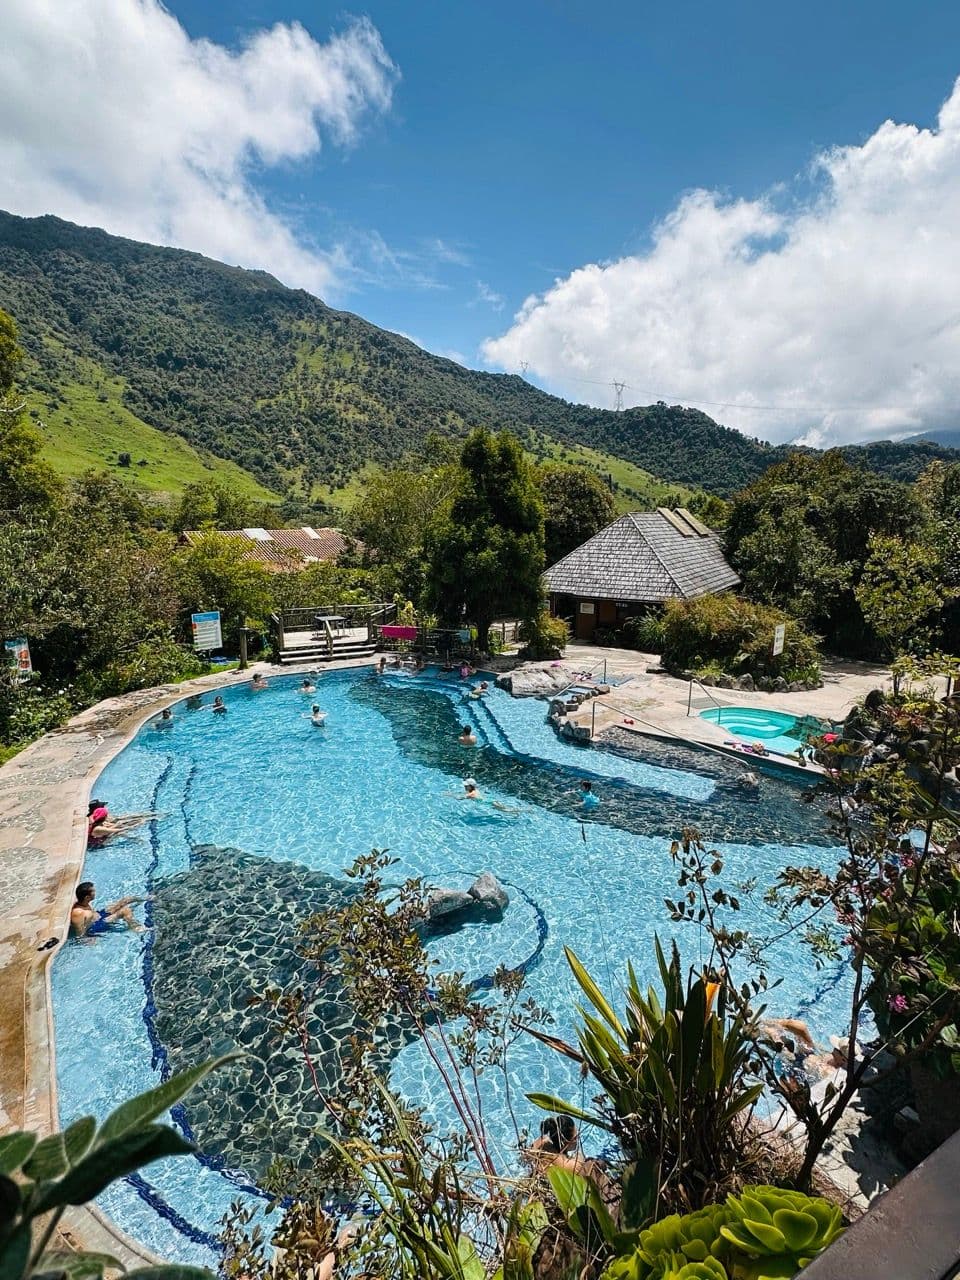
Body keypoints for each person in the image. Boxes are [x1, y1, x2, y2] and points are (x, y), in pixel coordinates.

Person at [70, 882, 145, 937]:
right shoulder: (78, 913)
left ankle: (149, 898)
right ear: (87, 897)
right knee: (125, 910)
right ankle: (136, 928)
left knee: (127, 899)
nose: (95, 893)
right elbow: (80, 934)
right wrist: (89, 939)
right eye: (93, 892)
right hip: (97, 925)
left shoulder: (83, 902)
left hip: (99, 915)